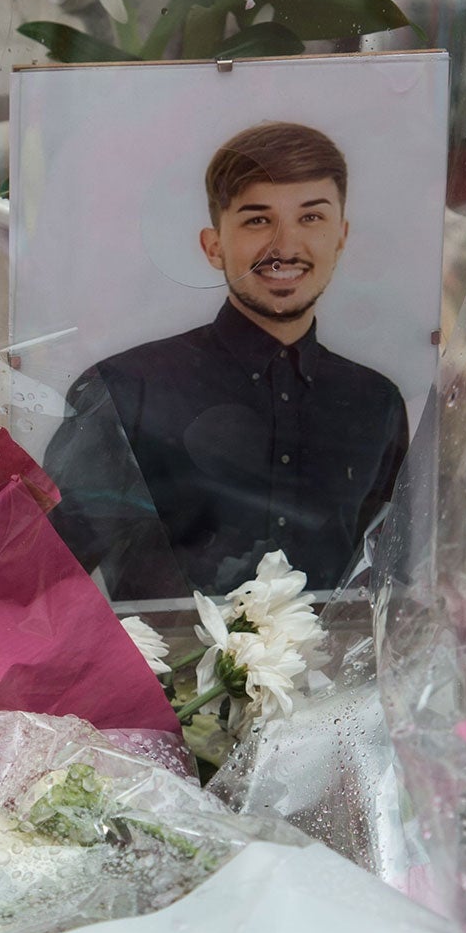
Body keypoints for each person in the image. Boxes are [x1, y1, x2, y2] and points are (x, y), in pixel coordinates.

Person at [44, 121, 410, 600]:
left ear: (341, 236)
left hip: (344, 676)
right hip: (161, 675)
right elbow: (42, 582)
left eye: (311, 218)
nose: (285, 246)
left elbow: (395, 583)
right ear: (213, 245)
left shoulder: (376, 403)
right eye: (257, 219)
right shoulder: (125, 390)